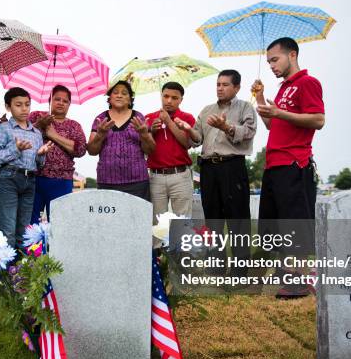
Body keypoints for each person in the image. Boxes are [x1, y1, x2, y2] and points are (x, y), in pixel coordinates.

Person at [252, 37, 325, 298]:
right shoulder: (283, 89)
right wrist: (260, 98)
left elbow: (318, 119)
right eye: (269, 61)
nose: (271, 65)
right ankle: (287, 277)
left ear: (291, 55)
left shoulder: (307, 83)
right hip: (274, 163)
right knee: (275, 227)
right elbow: (274, 125)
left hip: (295, 163)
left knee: (293, 227)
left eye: (275, 59)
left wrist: (281, 113)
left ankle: (298, 282)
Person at [180, 69, 257, 278]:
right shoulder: (206, 110)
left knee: (237, 220)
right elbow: (196, 139)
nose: (220, 88)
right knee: (212, 219)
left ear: (237, 87)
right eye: (218, 84)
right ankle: (216, 266)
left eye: (225, 84)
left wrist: (226, 126)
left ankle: (239, 271)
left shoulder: (245, 108)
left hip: (232, 167)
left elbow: (248, 133)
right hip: (208, 169)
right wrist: (188, 129)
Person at [0, 87, 53, 249]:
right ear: (8, 107)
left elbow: (39, 164)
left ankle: (19, 271)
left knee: (24, 230)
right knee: (7, 229)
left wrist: (41, 154)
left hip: (29, 181)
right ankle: (4, 271)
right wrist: (16, 150)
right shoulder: (4, 128)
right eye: (18, 105)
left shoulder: (36, 133)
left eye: (27, 104)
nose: (24, 109)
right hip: (9, 178)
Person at [86, 80, 155, 201]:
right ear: (109, 98)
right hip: (107, 182)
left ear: (130, 100)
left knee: (137, 219)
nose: (119, 95)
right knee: (109, 220)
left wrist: (144, 134)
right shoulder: (101, 119)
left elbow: (150, 150)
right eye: (115, 92)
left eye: (124, 93)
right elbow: (91, 151)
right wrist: (100, 135)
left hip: (137, 182)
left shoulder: (138, 117)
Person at [27, 85, 87, 223]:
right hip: (34, 177)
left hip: (61, 180)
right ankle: (34, 246)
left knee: (59, 222)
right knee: (31, 222)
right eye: (57, 99)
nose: (60, 103)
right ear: (50, 101)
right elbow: (21, 135)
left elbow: (81, 150)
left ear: (69, 105)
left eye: (65, 101)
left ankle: (55, 246)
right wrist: (38, 125)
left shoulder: (74, 126)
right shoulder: (36, 116)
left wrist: (52, 135)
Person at [144, 82, 196, 220]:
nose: (169, 101)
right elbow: (144, 149)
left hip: (180, 175)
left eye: (174, 98)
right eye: (166, 96)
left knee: (183, 221)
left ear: (181, 100)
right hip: (156, 176)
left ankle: (180, 243)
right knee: (157, 223)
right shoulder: (149, 118)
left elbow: (187, 143)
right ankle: (159, 243)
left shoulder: (187, 117)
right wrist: (151, 132)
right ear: (161, 96)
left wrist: (169, 122)